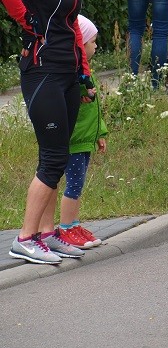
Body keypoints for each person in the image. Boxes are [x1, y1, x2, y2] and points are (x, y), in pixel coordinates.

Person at [0, 0, 99, 265]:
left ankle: (45, 235)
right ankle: (24, 239)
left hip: (67, 75)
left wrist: (85, 75)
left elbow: (71, 27)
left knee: (55, 156)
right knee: (55, 158)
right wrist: (29, 22)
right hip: (42, 73)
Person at [54, 15, 108, 249]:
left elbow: (95, 110)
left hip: (86, 138)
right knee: (74, 184)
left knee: (78, 184)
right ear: (79, 44)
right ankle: (65, 228)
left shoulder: (85, 74)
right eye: (92, 41)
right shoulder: (72, 77)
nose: (96, 46)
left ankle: (74, 225)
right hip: (75, 140)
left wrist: (100, 133)